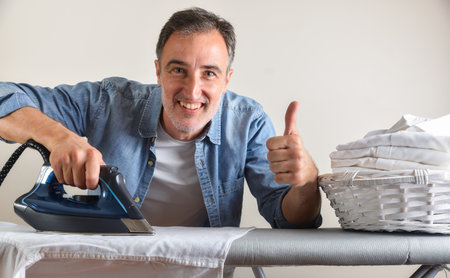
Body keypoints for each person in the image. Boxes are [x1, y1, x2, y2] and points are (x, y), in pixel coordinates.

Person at [0, 7, 321, 228]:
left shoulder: (248, 123)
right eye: (178, 69)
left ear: (227, 80)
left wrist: (306, 183)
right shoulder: (109, 102)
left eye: (209, 73)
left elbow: (288, 217)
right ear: (158, 71)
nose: (192, 90)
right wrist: (58, 137)